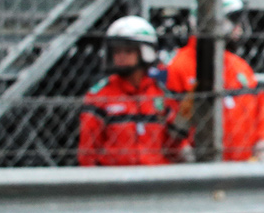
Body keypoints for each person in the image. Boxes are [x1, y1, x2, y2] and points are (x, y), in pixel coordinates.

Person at [165, 0, 264, 162]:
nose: (239, 28)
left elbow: (261, 113)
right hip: (201, 169)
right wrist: (184, 153)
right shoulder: (178, 67)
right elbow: (170, 122)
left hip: (244, 168)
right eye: (234, 20)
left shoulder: (240, 67)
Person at [79, 16, 187, 167]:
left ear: (146, 51)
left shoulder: (162, 93)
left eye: (128, 50)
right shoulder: (99, 96)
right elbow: (87, 153)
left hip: (157, 180)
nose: (120, 56)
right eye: (117, 51)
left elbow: (175, 145)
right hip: (115, 183)